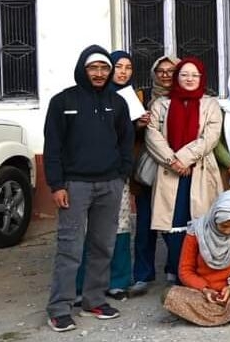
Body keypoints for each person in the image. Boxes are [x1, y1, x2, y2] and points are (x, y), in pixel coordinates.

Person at [44, 47, 134, 332]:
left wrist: (121, 175)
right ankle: (59, 308)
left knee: (103, 246)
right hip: (74, 186)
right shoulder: (63, 101)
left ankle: (94, 299)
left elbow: (125, 141)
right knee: (70, 247)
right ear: (83, 69)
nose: (98, 73)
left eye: (103, 68)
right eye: (93, 68)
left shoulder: (117, 102)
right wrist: (57, 184)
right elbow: (53, 146)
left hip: (110, 184)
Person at [144, 58, 223, 286]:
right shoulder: (162, 104)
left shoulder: (210, 105)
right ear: (177, 77)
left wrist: (184, 158)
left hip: (199, 171)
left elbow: (210, 137)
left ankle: (197, 271)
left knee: (199, 222)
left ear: (201, 78)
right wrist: (173, 160)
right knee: (172, 224)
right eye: (184, 74)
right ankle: (178, 269)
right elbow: (152, 135)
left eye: (194, 75)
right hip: (171, 172)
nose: (189, 79)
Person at [80, 50, 139, 301]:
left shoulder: (131, 96)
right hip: (88, 174)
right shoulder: (89, 96)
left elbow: (127, 137)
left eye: (128, 67)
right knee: (89, 228)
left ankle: (118, 280)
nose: (123, 72)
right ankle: (85, 282)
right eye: (118, 66)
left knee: (121, 225)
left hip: (118, 173)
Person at [163, 191, 230, 327]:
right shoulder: (197, 231)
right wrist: (205, 290)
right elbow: (185, 270)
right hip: (202, 293)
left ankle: (205, 316)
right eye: (223, 226)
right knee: (167, 295)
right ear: (214, 219)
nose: (228, 231)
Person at [131, 54, 180, 296]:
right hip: (148, 171)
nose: (165, 75)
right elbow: (125, 130)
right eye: (160, 71)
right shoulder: (141, 99)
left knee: (173, 224)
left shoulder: (186, 97)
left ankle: (174, 269)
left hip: (174, 169)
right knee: (144, 225)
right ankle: (142, 274)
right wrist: (138, 126)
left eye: (171, 70)